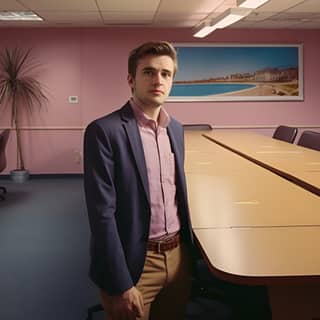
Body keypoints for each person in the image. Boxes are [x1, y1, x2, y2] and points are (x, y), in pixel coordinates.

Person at [83, 41, 194, 320]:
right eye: (149, 72)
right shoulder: (104, 131)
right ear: (131, 79)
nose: (158, 80)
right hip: (135, 263)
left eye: (166, 74)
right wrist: (121, 283)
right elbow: (101, 215)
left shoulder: (176, 130)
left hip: (178, 257)